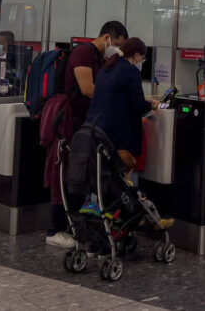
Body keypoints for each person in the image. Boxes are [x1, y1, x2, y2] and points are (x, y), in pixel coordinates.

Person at [45, 20, 128, 248]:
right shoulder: (83, 53)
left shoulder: (100, 59)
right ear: (107, 38)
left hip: (85, 127)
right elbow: (87, 88)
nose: (118, 49)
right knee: (65, 177)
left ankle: (77, 227)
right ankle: (55, 229)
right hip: (69, 125)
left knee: (80, 179)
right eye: (117, 44)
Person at [86, 37, 155, 173]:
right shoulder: (131, 71)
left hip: (96, 130)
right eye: (142, 58)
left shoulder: (106, 68)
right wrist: (151, 105)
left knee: (101, 175)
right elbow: (138, 106)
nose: (141, 61)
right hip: (119, 137)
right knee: (123, 179)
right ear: (136, 56)